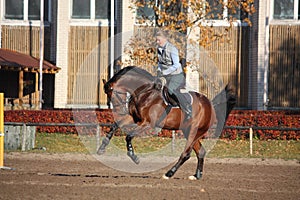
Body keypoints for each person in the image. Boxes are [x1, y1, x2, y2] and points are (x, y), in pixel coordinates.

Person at [155, 30, 192, 120]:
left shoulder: (172, 49)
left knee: (170, 90)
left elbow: (176, 65)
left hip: (176, 75)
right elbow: (160, 63)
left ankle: (188, 109)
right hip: (166, 75)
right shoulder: (159, 49)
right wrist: (159, 70)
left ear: (164, 39)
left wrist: (164, 72)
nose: (157, 42)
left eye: (158, 40)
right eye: (156, 40)